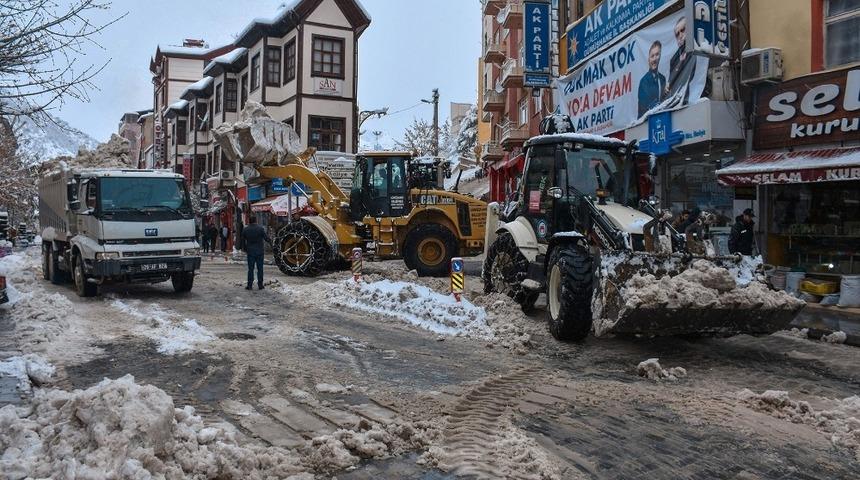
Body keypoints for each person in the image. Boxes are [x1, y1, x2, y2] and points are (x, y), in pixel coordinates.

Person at [667, 16, 695, 107]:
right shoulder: (674, 59)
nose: (680, 35)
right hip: (679, 102)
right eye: (677, 34)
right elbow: (672, 83)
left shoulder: (697, 46)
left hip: (695, 97)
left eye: (683, 30)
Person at [638, 41, 666, 118]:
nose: (654, 59)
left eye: (657, 55)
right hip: (646, 123)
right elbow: (645, 107)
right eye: (652, 56)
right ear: (648, 59)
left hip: (662, 117)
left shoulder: (662, 79)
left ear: (660, 56)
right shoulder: (644, 81)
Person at [240, 216, 270, 290]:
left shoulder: (245, 230)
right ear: (255, 221)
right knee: (260, 269)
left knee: (251, 269)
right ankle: (260, 285)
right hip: (260, 251)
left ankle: (249, 285)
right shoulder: (260, 229)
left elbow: (242, 241)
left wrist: (245, 249)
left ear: (249, 221)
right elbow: (266, 238)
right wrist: (271, 242)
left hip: (250, 251)